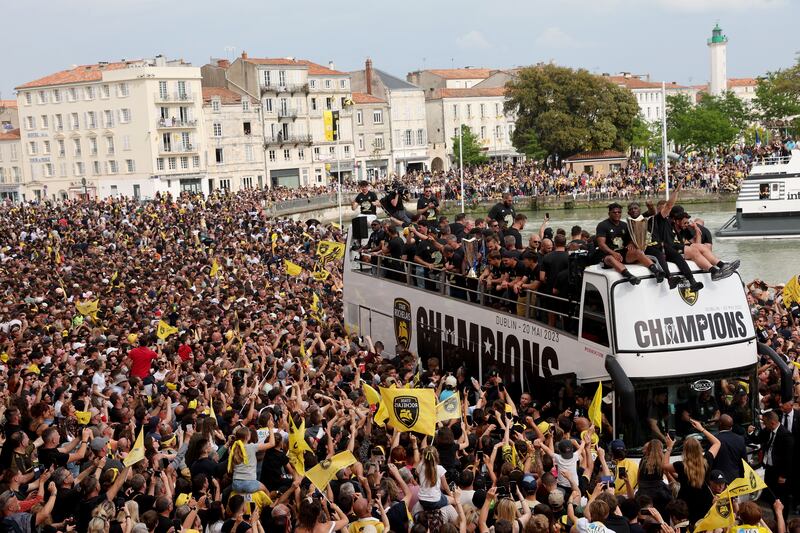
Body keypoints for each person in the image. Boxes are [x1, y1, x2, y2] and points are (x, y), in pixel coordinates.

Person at [662, 419, 721, 525]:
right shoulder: (707, 459)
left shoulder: (681, 465)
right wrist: (702, 429)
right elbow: (717, 442)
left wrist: (669, 447)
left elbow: (664, 465)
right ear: (699, 448)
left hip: (686, 504)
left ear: (685, 450)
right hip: (705, 501)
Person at [595, 203, 663, 285]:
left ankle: (656, 271)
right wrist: (613, 253)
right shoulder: (602, 225)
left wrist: (631, 243)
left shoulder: (624, 225)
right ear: (609, 213)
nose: (617, 214)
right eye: (614, 212)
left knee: (638, 252)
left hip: (623, 253)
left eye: (619, 212)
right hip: (608, 254)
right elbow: (601, 244)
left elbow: (631, 239)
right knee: (610, 258)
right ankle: (629, 276)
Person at [753, 410, 794, 519]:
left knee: (781, 499)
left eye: (765, 423)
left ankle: (782, 521)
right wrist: (751, 432)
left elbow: (789, 458)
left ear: (772, 423)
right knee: (771, 497)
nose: (764, 425)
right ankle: (776, 519)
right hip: (769, 469)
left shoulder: (786, 436)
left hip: (780, 474)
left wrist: (784, 475)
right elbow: (757, 439)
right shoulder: (767, 431)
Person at [712, 414, 747, 483]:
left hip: (719, 480)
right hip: (736, 479)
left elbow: (710, 461)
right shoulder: (740, 439)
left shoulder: (713, 440)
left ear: (720, 423)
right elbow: (744, 462)